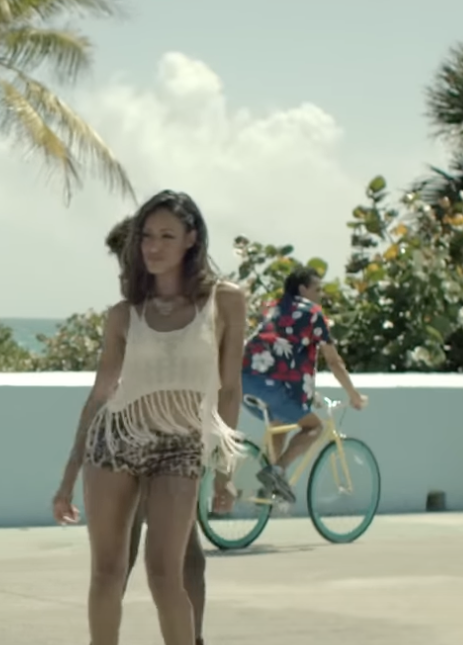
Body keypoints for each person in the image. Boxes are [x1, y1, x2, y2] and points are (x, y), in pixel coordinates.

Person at [64, 191, 247, 645]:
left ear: (191, 239)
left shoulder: (226, 302)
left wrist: (225, 470)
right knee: (112, 567)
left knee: (172, 567)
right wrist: (68, 476)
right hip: (119, 441)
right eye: (146, 236)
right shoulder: (126, 314)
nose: (153, 246)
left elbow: (230, 389)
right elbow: (100, 392)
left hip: (181, 445)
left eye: (167, 235)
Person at [241, 265, 366, 502]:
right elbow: (334, 361)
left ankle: (273, 485)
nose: (320, 294)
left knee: (280, 422)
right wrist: (354, 396)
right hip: (272, 385)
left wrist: (308, 393)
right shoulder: (312, 313)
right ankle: (276, 472)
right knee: (314, 427)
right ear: (303, 289)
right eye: (317, 289)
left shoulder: (271, 308)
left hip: (244, 380)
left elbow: (283, 355)